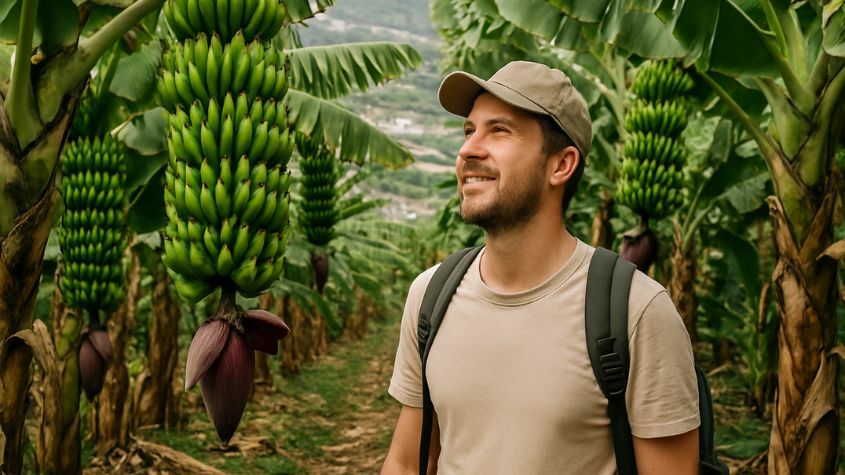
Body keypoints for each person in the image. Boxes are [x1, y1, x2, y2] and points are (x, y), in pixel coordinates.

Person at [381, 61, 700, 474]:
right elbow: (408, 462)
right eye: (469, 130)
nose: (468, 150)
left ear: (561, 165)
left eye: (499, 131)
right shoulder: (430, 295)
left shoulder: (637, 312)